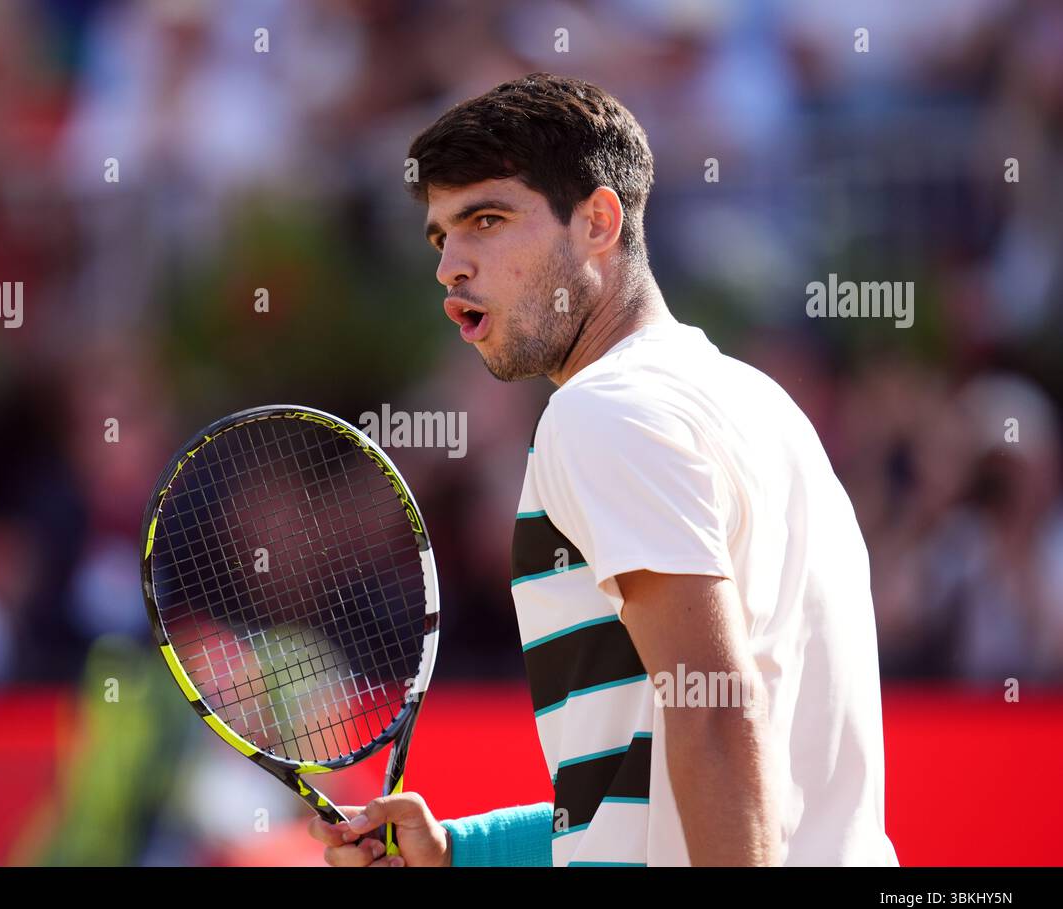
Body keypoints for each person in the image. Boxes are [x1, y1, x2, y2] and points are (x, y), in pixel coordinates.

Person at [308, 72, 898, 867]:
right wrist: (458, 853)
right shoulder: (766, 408)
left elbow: (716, 715)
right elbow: (647, 801)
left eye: (487, 219)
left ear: (598, 221)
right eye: (441, 236)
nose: (452, 265)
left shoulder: (601, 413)